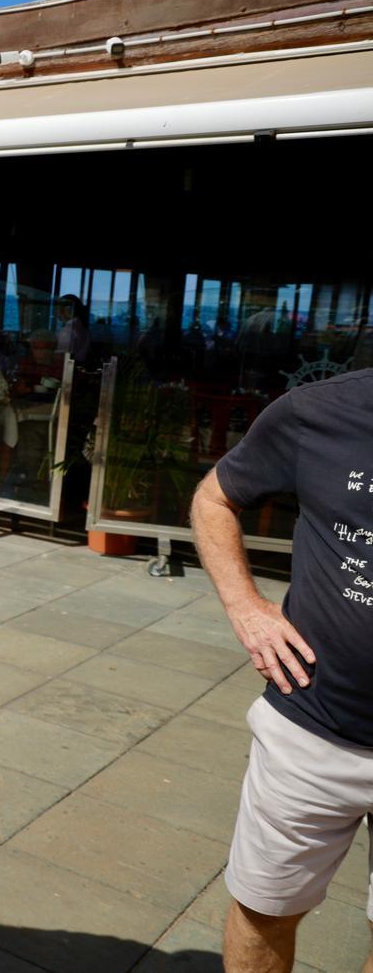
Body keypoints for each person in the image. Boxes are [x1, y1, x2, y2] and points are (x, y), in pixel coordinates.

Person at [189, 367, 373, 973]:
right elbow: (215, 498)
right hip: (313, 724)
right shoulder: (321, 411)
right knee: (266, 908)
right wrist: (246, 606)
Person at [55, 293, 91, 365]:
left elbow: (61, 359)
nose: (56, 311)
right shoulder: (82, 328)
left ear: (68, 309)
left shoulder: (67, 332)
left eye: (58, 308)